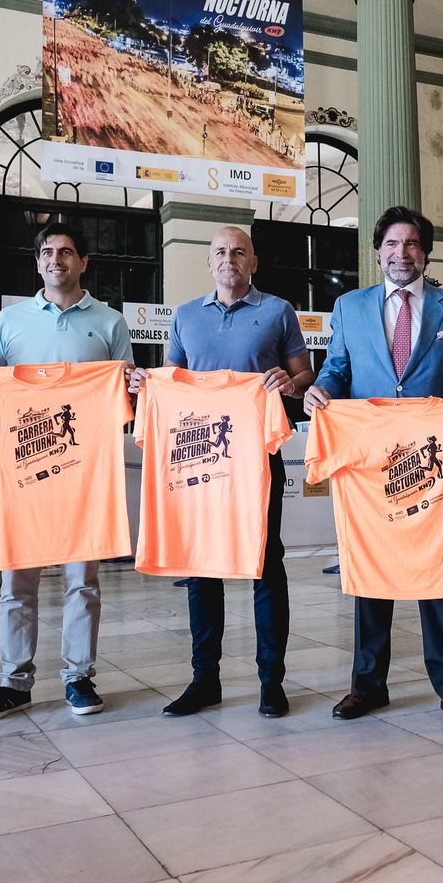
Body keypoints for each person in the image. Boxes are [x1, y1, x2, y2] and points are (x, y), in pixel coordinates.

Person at [303, 206, 443, 724]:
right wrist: (321, 391)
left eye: (411, 244)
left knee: (440, 571)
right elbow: (338, 369)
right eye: (392, 244)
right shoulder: (349, 306)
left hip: (432, 461)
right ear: (378, 252)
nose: (401, 253)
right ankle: (368, 686)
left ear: (425, 252)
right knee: (372, 573)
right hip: (373, 466)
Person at [134, 225, 314, 720]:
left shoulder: (278, 311)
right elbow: (170, 380)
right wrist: (144, 382)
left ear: (253, 261)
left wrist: (290, 381)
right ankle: (204, 680)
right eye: (219, 252)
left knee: (264, 563)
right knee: (201, 569)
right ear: (209, 262)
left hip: (256, 457)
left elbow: (305, 377)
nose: (229, 259)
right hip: (197, 458)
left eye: (238, 252)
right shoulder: (187, 316)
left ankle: (270, 682)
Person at [0, 222, 134, 723]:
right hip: (22, 476)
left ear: (83, 263)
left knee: (84, 582)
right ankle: (14, 681)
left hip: (83, 477)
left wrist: (133, 381)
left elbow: (122, 392)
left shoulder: (110, 323)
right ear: (37, 262)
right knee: (17, 583)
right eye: (47, 252)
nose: (56, 259)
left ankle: (79, 677)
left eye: (66, 252)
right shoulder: (9, 321)